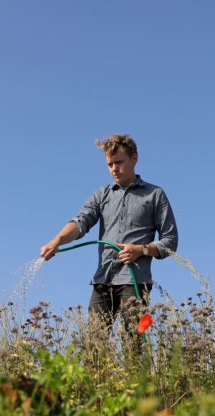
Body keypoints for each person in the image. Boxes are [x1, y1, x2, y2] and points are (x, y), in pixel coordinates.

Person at [40, 133, 178, 340]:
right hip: (103, 280)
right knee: (94, 346)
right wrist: (57, 240)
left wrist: (141, 250)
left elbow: (170, 241)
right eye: (109, 164)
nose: (114, 169)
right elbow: (80, 222)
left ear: (134, 158)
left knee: (134, 344)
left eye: (119, 162)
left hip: (135, 283)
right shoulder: (102, 195)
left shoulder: (155, 194)